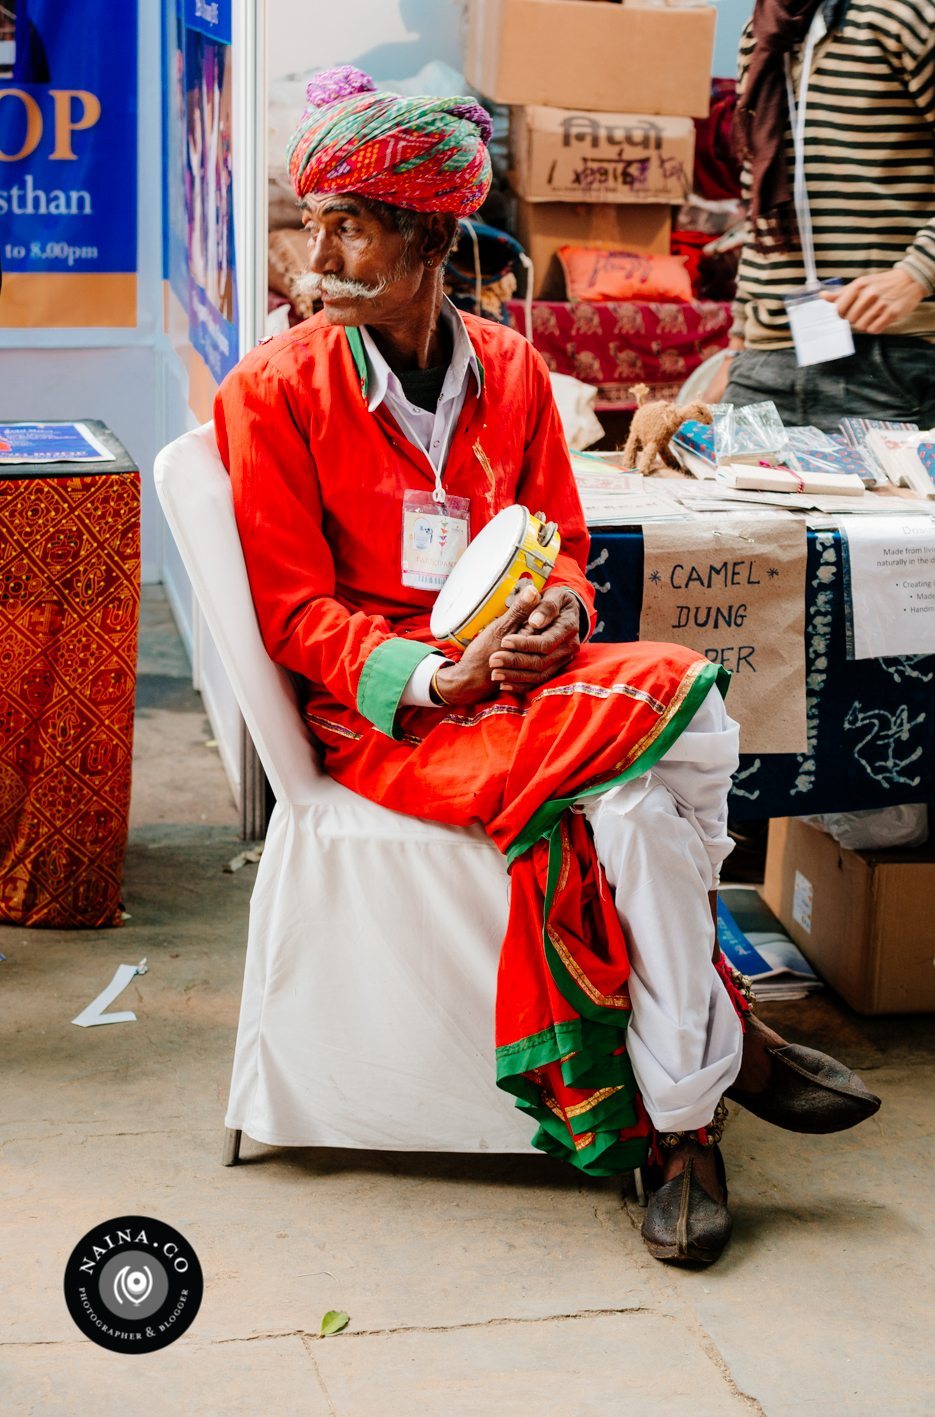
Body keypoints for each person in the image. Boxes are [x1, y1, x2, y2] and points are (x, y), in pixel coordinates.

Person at [215, 68, 880, 1266]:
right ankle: (706, 1081)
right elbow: (293, 613)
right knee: (675, 718)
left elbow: (562, 554)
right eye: (311, 219)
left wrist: (557, 620)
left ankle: (683, 1107)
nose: (315, 251)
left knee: (629, 798)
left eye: (347, 222)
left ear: (426, 240)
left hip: (527, 698)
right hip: (394, 724)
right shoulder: (271, 391)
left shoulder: (513, 373)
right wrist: (437, 676)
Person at [714, 0, 935, 429]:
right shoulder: (760, 32)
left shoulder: (904, 17)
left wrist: (917, 272)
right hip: (763, 362)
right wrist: (736, 345)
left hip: (891, 358)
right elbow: (756, 199)